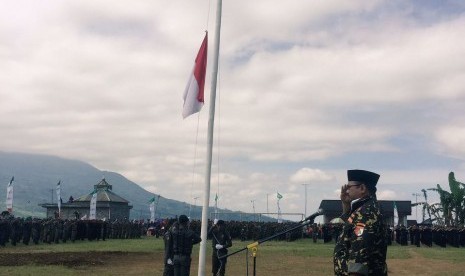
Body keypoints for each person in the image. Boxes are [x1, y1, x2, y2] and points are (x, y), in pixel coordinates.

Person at [334, 169, 388, 276]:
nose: (347, 191)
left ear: (362, 188)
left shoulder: (366, 212)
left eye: (349, 187)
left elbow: (360, 250)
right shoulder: (364, 208)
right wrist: (346, 204)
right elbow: (349, 227)